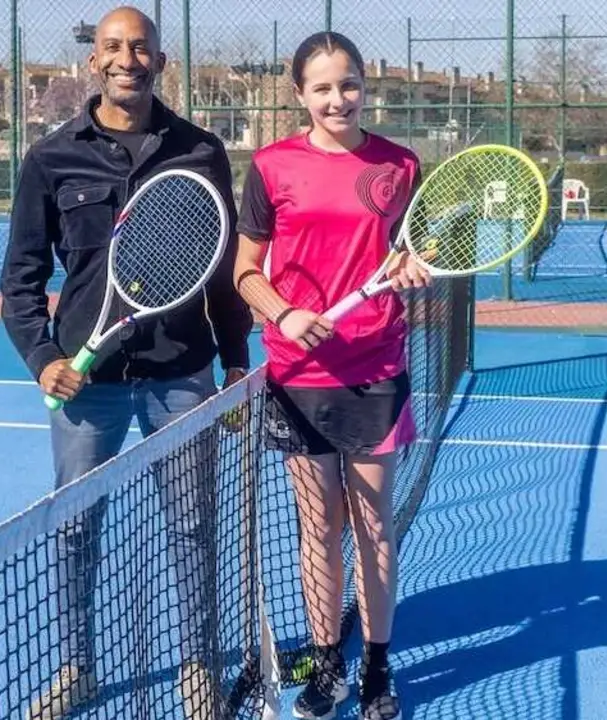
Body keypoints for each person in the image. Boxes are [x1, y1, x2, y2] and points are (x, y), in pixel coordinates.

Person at [0, 6, 252, 719]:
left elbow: (222, 272)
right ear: (94, 61)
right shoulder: (50, 158)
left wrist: (236, 365)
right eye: (113, 47)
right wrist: (43, 358)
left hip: (183, 374)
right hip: (88, 384)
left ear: (160, 62)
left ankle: (198, 666)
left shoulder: (201, 152)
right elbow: (19, 279)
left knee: (194, 526)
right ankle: (76, 667)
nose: (126, 59)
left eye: (140, 48)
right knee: (75, 528)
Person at [231, 30, 429, 720]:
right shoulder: (271, 167)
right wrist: (283, 314)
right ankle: (327, 663)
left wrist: (411, 267)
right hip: (298, 374)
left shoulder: (401, 165)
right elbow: (245, 270)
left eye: (349, 84)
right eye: (322, 87)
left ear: (365, 88)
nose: (338, 98)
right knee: (317, 528)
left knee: (373, 526)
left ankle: (377, 667)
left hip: (375, 367)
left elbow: (410, 254)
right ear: (300, 95)